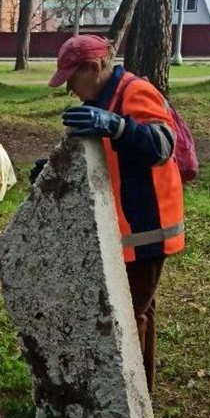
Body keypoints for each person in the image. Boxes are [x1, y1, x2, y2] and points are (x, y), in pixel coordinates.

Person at [35, 34, 184, 393]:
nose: (70, 88)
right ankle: (139, 396)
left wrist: (117, 125)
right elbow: (108, 160)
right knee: (136, 312)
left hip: (148, 228)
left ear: (95, 66)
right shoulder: (103, 98)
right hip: (124, 228)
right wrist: (53, 168)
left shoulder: (134, 92)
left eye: (73, 78)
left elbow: (163, 145)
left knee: (128, 318)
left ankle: (126, 400)